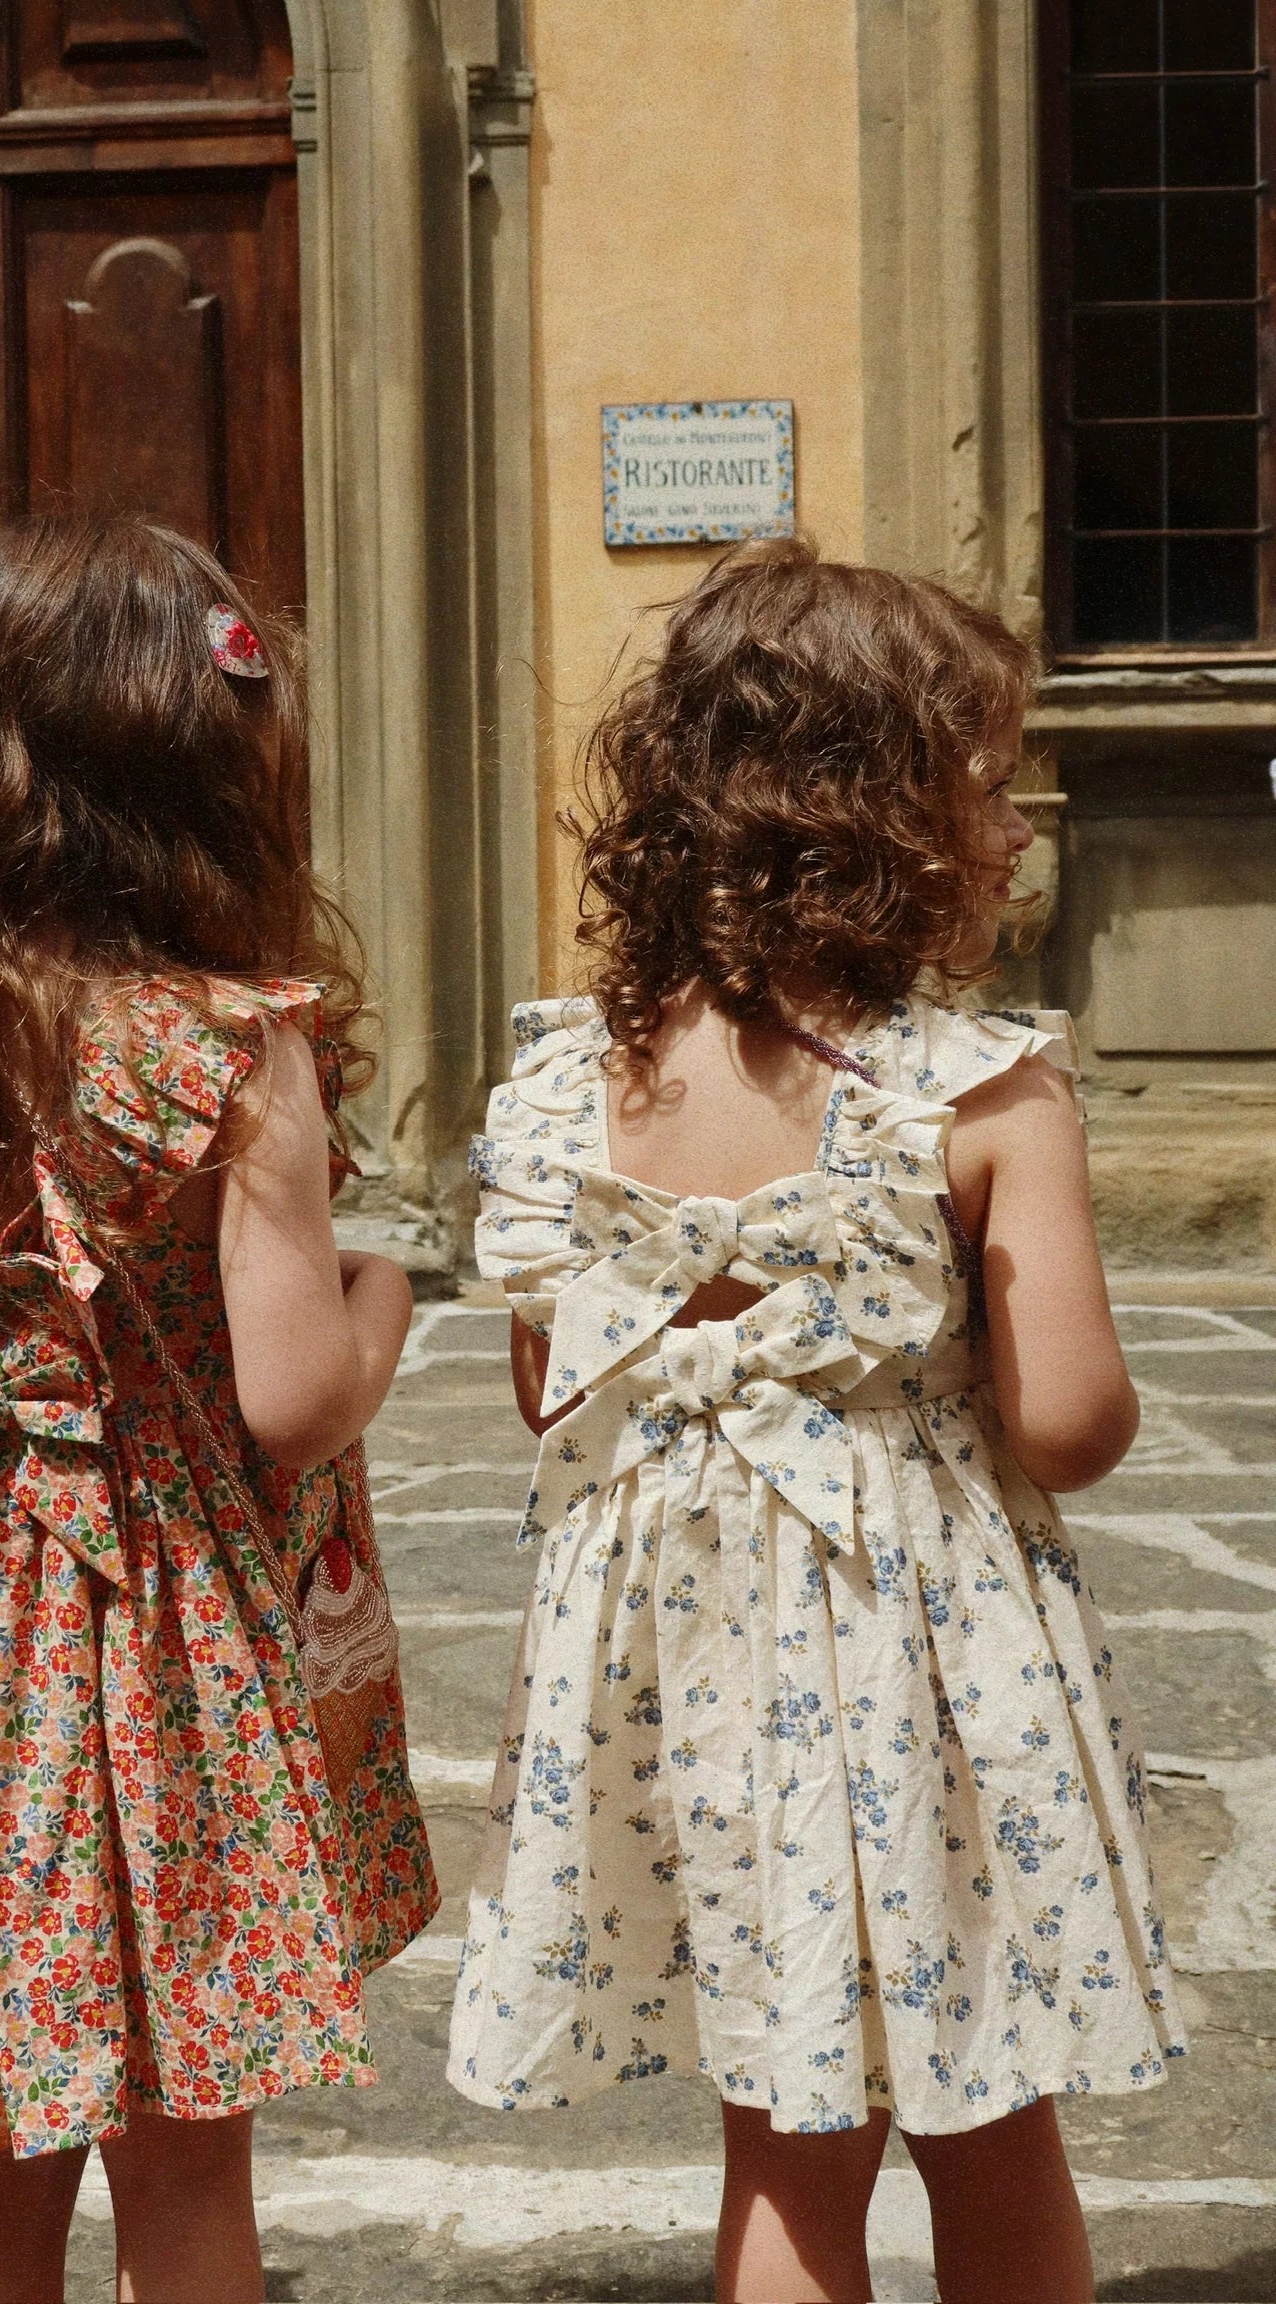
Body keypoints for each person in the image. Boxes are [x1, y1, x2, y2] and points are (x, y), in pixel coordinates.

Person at [447, 538, 1184, 2304]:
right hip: (927, 1657)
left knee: (783, 2133)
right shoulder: (985, 1090)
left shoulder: (567, 1087)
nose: (1015, 827)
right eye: (984, 786)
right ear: (873, 819)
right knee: (991, 2108)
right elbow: (1073, 1423)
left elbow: (552, 1392)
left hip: (687, 1667)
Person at [0, 513, 433, 2304]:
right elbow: (294, 1401)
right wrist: (385, 1304)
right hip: (162, 1655)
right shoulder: (228, 1046)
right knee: (187, 2172)